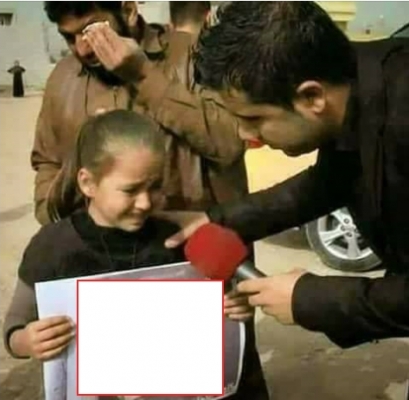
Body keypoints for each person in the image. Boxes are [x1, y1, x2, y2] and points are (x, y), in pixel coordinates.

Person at [162, 1, 409, 350]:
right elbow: (326, 185)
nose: (245, 135)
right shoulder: (353, 87)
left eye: (254, 119)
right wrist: (217, 220)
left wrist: (309, 297)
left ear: (312, 96)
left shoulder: (401, 111)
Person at [4, 110, 268, 400]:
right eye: (130, 190)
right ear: (87, 183)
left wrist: (233, 312)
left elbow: (218, 316)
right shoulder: (52, 246)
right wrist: (27, 341)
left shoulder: (179, 240)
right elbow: (15, 326)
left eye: (154, 187)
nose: (144, 202)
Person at [32, 1, 248, 226]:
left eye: (91, 31)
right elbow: (47, 161)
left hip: (193, 238)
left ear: (128, 11)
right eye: (69, 37)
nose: (82, 49)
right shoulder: (62, 78)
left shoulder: (196, 55)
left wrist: (143, 76)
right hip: (98, 245)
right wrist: (51, 215)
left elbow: (231, 143)